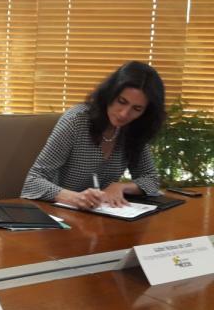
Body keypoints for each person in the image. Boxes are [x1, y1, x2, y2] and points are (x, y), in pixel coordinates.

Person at [21, 61, 166, 209]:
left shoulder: (132, 129)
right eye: (121, 101)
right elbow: (33, 181)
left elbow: (151, 180)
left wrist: (120, 187)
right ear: (110, 93)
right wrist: (76, 198)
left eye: (137, 109)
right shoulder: (77, 121)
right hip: (60, 212)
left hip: (103, 215)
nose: (124, 114)